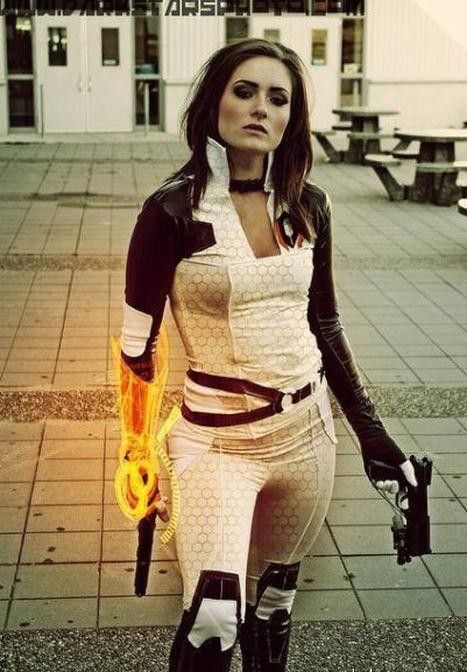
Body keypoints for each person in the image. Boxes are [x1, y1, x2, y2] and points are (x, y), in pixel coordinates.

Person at [119, 38, 417, 672]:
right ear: (214, 103)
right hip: (215, 443)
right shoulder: (170, 211)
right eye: (245, 91)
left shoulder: (309, 204)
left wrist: (374, 436)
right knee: (212, 616)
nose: (260, 108)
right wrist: (136, 450)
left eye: (278, 98)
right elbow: (135, 349)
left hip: (307, 437)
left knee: (275, 603)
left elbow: (325, 324)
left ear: (291, 117)